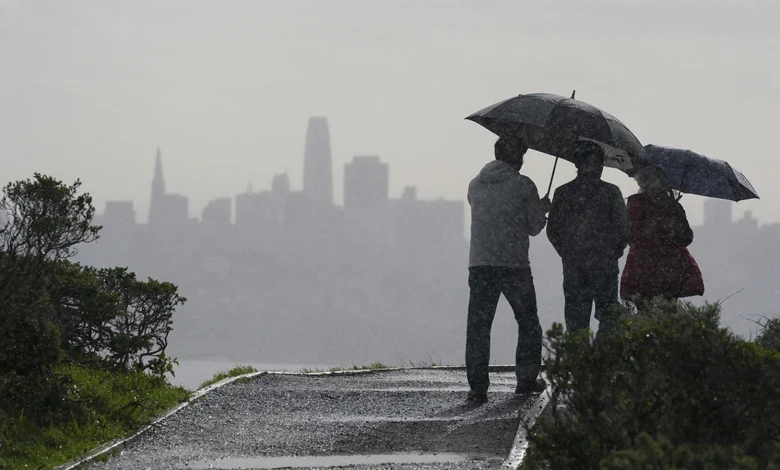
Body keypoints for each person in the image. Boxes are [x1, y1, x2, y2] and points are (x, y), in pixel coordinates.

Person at [465, 135, 551, 404]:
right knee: (527, 323)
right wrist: (542, 209)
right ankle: (525, 381)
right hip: (514, 264)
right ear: (518, 157)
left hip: (480, 263)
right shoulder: (523, 185)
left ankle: (478, 388)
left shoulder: (475, 184)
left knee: (479, 326)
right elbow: (533, 227)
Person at [546, 140, 630, 337]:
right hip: (604, 264)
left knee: (577, 320)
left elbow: (553, 231)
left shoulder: (563, 192)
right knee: (609, 317)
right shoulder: (610, 192)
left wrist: (567, 252)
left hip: (575, 266)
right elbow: (623, 228)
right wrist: (613, 251)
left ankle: (579, 362)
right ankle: (603, 359)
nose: (597, 167)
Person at [620, 165, 704, 302]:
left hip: (643, 267)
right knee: (667, 313)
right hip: (667, 268)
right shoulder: (668, 206)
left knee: (646, 311)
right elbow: (686, 237)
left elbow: (629, 236)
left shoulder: (635, 205)